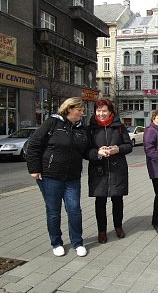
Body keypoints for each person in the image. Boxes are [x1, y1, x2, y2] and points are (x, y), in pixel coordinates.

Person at [26, 97, 89, 257]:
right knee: (54, 211)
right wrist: (34, 169)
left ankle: (77, 242)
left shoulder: (82, 129)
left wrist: (100, 153)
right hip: (50, 177)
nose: (82, 113)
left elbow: (86, 151)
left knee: (74, 210)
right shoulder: (52, 123)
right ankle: (56, 242)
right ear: (69, 109)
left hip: (72, 177)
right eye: (79, 110)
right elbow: (33, 145)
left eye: (83, 110)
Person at [87, 99, 132, 244]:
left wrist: (117, 149)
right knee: (100, 201)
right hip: (98, 170)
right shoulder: (91, 129)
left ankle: (118, 226)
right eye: (98, 111)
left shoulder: (119, 127)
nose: (101, 114)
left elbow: (128, 146)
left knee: (117, 199)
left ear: (111, 112)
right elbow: (85, 151)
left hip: (117, 168)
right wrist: (98, 152)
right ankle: (102, 231)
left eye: (104, 111)